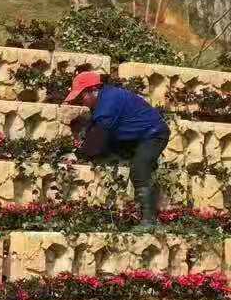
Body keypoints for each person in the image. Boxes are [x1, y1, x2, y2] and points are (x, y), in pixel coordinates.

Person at [64, 70, 170, 226]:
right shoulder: (104, 98)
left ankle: (149, 220)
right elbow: (94, 129)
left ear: (93, 90)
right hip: (134, 136)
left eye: (81, 97)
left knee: (139, 169)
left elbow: (98, 137)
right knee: (115, 154)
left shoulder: (108, 103)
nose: (81, 102)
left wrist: (80, 155)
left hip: (153, 135)